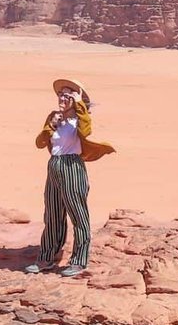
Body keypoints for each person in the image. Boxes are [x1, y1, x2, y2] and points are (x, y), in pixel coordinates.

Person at [25, 78, 115, 277]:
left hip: (72, 166)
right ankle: (47, 257)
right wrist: (50, 126)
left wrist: (80, 106)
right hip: (54, 165)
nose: (62, 98)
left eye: (68, 95)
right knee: (52, 214)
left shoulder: (80, 120)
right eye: (61, 95)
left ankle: (79, 260)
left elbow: (86, 131)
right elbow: (40, 143)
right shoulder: (54, 117)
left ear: (76, 100)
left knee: (78, 214)